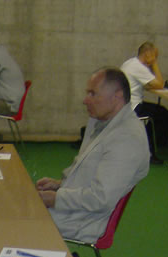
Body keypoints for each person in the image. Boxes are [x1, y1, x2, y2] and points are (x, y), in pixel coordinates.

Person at [36, 68, 149, 243]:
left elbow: (100, 198)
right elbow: (91, 177)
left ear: (117, 96)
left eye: (93, 94)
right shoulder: (102, 122)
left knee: (7, 216)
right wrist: (59, 185)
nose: (85, 100)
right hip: (71, 211)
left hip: (81, 221)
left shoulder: (127, 138)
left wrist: (55, 198)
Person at [120, 41, 168, 164]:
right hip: (133, 106)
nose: (156, 59)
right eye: (155, 56)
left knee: (161, 113)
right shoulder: (139, 67)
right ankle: (150, 150)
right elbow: (160, 84)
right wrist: (154, 64)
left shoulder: (130, 63)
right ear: (148, 54)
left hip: (124, 104)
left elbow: (145, 85)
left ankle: (148, 145)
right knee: (166, 116)